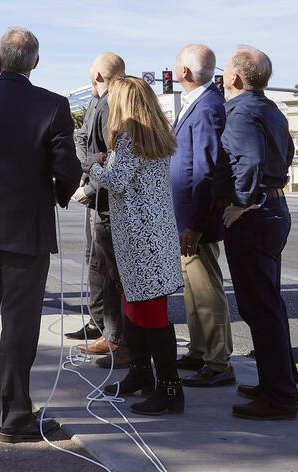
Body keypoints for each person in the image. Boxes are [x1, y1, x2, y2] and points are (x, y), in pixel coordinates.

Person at [0, 27, 81, 442]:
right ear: (35, 64)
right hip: (27, 228)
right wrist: (59, 194)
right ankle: (15, 414)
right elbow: (67, 168)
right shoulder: (52, 105)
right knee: (20, 322)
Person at [87, 76, 185, 416]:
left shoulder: (129, 135)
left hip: (142, 238)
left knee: (150, 313)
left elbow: (117, 180)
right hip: (148, 235)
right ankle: (141, 373)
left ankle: (170, 389)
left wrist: (93, 166)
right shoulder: (151, 133)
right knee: (136, 306)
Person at [219, 46, 298, 420]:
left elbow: (248, 160)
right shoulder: (270, 110)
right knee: (269, 304)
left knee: (260, 308)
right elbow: (288, 152)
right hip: (273, 210)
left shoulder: (241, 112)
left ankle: (280, 397)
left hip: (254, 215)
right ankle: (278, 382)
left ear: (234, 78)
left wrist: (240, 202)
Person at [170, 44, 235, 388]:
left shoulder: (208, 107)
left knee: (206, 289)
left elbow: (206, 171)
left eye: (177, 63)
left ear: (185, 72)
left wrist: (195, 224)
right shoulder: (196, 103)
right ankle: (199, 350)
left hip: (198, 220)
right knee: (193, 289)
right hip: (185, 217)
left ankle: (218, 361)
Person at [69, 54, 131, 370]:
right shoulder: (99, 102)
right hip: (98, 196)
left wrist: (91, 184)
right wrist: (87, 164)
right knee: (98, 266)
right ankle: (105, 330)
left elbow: (114, 160)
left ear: (96, 74)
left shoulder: (113, 107)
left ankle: (119, 339)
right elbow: (83, 140)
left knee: (113, 274)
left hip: (107, 201)